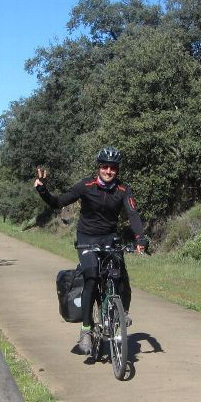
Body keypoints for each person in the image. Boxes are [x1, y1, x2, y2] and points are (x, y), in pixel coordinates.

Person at [33, 146, 147, 355]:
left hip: (110, 238)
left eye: (113, 168)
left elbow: (133, 214)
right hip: (87, 238)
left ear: (117, 170)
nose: (109, 171)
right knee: (92, 278)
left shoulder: (123, 190)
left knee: (121, 274)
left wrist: (140, 238)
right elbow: (58, 202)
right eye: (105, 167)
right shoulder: (86, 185)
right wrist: (43, 190)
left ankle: (123, 311)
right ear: (99, 168)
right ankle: (86, 330)